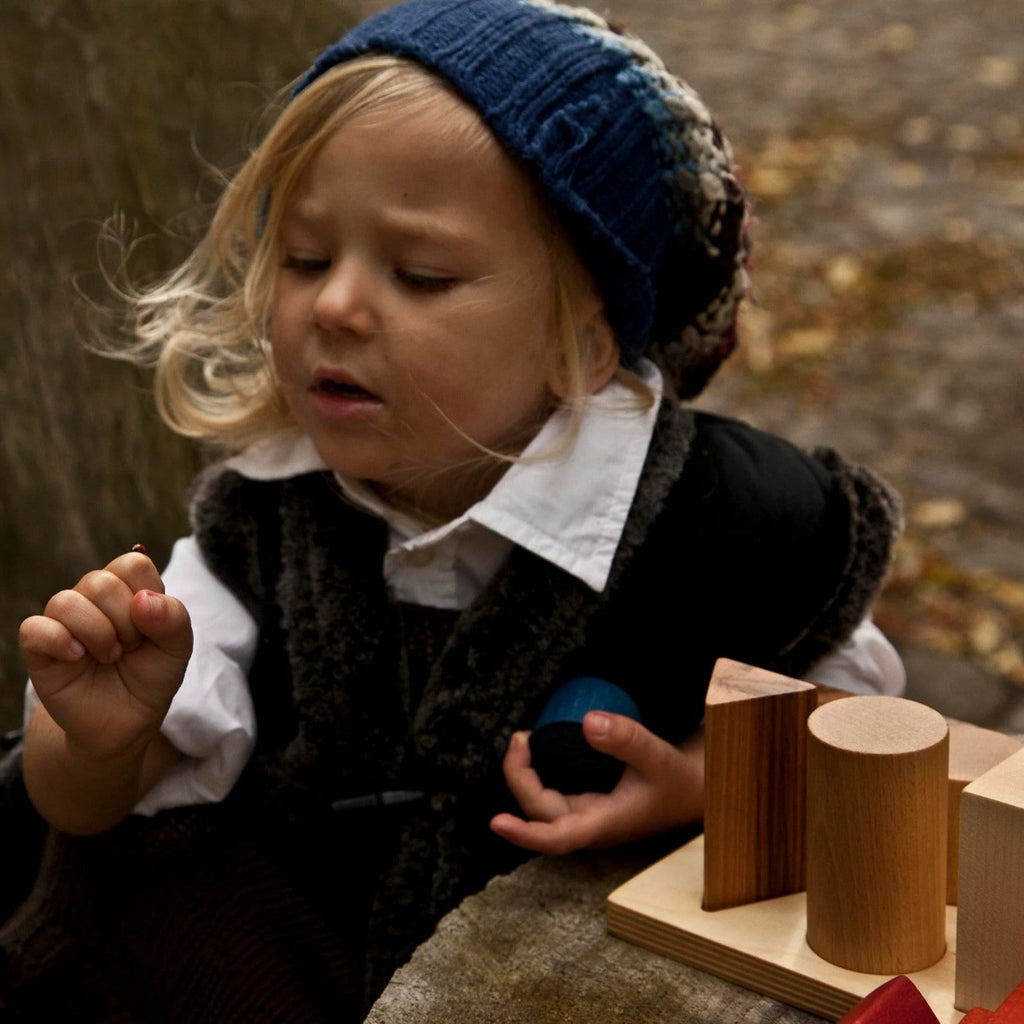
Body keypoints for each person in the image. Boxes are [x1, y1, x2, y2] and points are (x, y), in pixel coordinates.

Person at [2, 0, 905, 1018]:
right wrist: (98, 744)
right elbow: (86, 810)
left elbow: (866, 728)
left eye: (420, 273)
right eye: (302, 258)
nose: (334, 306)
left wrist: (701, 783)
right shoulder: (255, 529)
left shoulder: (734, 522)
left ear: (585, 342)